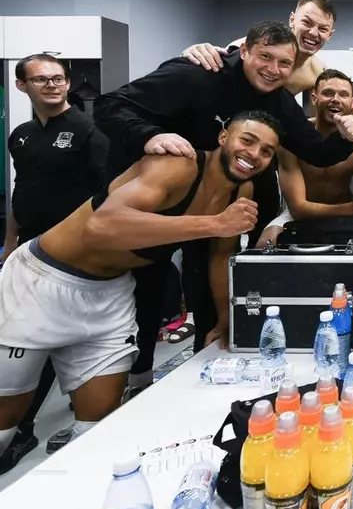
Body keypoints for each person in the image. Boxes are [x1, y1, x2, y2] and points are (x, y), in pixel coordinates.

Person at [93, 21, 353, 398]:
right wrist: (150, 136)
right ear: (244, 51)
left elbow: (314, 150)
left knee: (209, 284)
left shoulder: (278, 99)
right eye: (265, 57)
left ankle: (203, 370)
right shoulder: (199, 73)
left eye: (284, 63)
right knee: (146, 289)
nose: (274, 69)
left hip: (219, 202)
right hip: (159, 198)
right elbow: (109, 105)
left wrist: (347, 138)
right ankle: (138, 383)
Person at [0, 112, 279, 458]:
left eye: (266, 151)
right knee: (5, 426)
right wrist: (214, 223)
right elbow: (101, 226)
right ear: (224, 138)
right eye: (247, 140)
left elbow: (220, 258)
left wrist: (224, 320)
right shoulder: (177, 165)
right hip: (43, 278)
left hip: (110, 291)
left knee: (97, 425)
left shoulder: (241, 189)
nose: (254, 154)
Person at [0, 54, 110, 474]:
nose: (52, 85)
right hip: (28, 251)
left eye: (58, 78)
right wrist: (11, 241)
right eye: (41, 79)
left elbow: (107, 194)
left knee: (44, 337)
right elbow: (23, 190)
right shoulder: (21, 135)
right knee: (28, 337)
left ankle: (26, 425)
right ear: (22, 85)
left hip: (71, 256)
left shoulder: (88, 130)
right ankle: (23, 425)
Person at [256, 69, 353, 247]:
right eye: (328, 93)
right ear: (314, 98)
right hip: (308, 214)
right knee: (265, 243)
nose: (335, 99)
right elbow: (298, 209)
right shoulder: (293, 140)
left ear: (352, 102)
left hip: (346, 214)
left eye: (343, 94)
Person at [180, 0, 353, 106]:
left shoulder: (316, 72)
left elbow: (319, 121)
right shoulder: (255, 43)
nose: (313, 33)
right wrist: (194, 52)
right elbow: (217, 62)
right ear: (292, 20)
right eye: (307, 22)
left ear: (330, 35)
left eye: (322, 29)